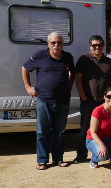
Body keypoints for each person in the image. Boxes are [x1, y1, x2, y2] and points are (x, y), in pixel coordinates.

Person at [22, 32, 75, 170]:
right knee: (42, 131)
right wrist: (28, 86)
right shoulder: (40, 55)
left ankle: (58, 159)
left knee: (60, 131)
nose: (56, 45)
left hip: (62, 101)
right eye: (53, 43)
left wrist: (68, 89)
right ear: (48, 44)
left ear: (63, 44)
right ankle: (42, 160)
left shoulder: (68, 57)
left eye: (59, 43)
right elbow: (24, 68)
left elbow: (72, 72)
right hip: (44, 100)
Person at [73, 35, 111, 164]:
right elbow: (78, 79)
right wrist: (83, 97)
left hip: (105, 102)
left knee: (107, 128)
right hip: (89, 101)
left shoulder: (110, 62)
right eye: (94, 45)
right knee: (85, 129)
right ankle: (81, 154)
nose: (97, 47)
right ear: (90, 46)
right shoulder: (84, 59)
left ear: (103, 46)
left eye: (99, 45)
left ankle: (108, 154)